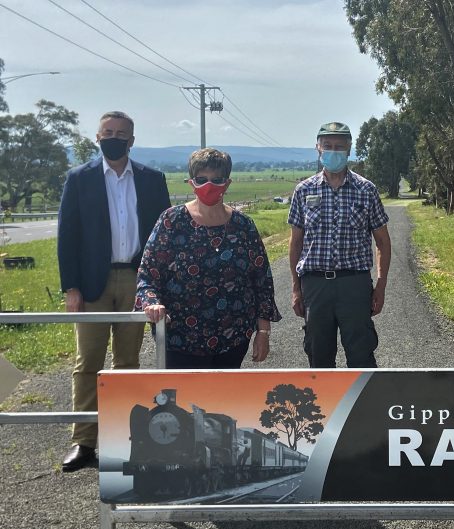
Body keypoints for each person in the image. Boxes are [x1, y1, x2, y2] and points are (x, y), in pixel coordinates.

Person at [57, 111, 171, 472]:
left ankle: (124, 438)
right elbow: (67, 236)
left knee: (127, 363)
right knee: (87, 362)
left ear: (132, 141)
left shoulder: (152, 180)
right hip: (92, 283)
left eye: (121, 133)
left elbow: (163, 233)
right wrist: (71, 287)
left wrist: (160, 283)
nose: (114, 137)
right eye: (108, 132)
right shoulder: (79, 179)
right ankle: (84, 441)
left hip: (138, 280)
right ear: (97, 137)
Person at [137, 147, 281, 369]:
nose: (209, 185)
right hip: (179, 339)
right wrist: (151, 303)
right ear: (191, 182)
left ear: (228, 183)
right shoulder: (171, 221)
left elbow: (261, 281)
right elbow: (148, 275)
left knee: (224, 400)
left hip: (232, 338)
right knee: (184, 402)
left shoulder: (243, 226)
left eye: (217, 179)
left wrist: (263, 332)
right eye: (201, 179)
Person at [288, 121, 391, 368]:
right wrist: (295, 287)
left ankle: (364, 405)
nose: (333, 151)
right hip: (315, 285)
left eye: (339, 147)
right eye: (328, 146)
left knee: (361, 354)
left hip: (354, 285)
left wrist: (381, 285)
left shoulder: (366, 190)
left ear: (349, 150)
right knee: (318, 356)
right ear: (318, 148)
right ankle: (325, 407)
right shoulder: (303, 190)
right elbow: (296, 243)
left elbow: (383, 243)